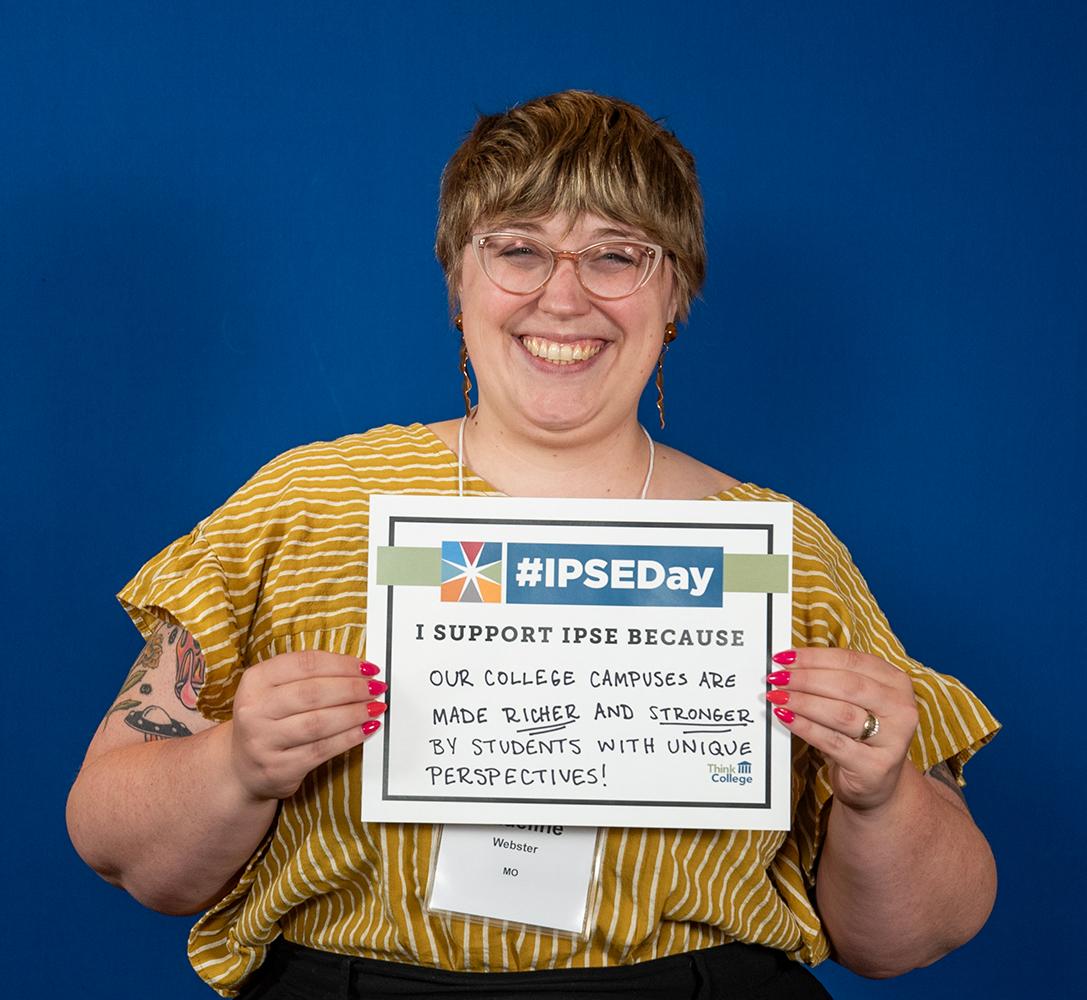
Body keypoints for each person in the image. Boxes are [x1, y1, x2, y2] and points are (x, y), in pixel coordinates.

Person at [67, 91, 998, 999]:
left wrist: (880, 794)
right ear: (457, 283)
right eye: (518, 250)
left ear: (674, 292)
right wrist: (237, 766)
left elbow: (910, 937)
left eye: (616, 256)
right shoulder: (306, 507)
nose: (564, 297)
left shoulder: (777, 553)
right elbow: (121, 847)